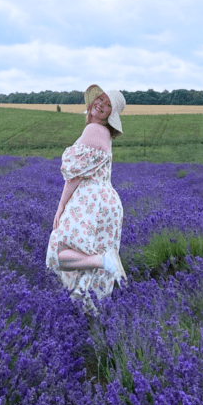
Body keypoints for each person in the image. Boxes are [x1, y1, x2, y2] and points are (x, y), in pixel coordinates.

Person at [46, 84, 127, 311]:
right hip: (107, 202)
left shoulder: (94, 131)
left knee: (58, 251)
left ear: (111, 115)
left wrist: (61, 206)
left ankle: (104, 261)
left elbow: (73, 175)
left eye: (108, 105)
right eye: (100, 99)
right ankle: (91, 316)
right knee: (87, 265)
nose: (101, 104)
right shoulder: (103, 134)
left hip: (91, 200)